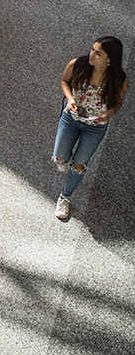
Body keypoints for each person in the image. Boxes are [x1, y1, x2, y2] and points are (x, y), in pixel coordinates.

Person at [52, 37, 128, 220]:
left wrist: (110, 113)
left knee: (79, 165)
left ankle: (65, 197)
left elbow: (117, 102)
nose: (91, 55)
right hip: (71, 118)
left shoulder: (119, 79)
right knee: (60, 159)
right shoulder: (78, 64)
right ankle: (62, 160)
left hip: (95, 127)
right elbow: (64, 81)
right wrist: (70, 100)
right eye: (92, 50)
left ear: (109, 60)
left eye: (98, 53)